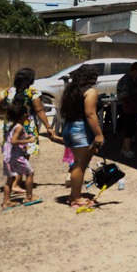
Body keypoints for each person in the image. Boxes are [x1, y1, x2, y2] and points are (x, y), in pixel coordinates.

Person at [0, 67, 61, 192]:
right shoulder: (32, 93)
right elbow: (39, 110)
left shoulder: (7, 91)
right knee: (24, 155)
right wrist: (48, 127)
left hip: (10, 126)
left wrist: (7, 113)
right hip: (27, 125)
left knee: (13, 153)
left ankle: (14, 181)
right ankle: (16, 183)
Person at [60, 65, 104, 210]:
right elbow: (90, 114)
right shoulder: (90, 92)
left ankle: (74, 195)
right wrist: (99, 134)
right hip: (81, 129)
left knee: (76, 164)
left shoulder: (71, 90)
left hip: (69, 127)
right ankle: (76, 198)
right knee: (80, 165)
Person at [1, 100, 42, 209]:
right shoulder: (19, 127)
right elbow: (14, 141)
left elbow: (14, 137)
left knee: (10, 179)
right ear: (24, 115)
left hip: (8, 156)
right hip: (16, 156)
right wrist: (29, 141)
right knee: (30, 173)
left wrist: (25, 137)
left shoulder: (13, 126)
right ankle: (29, 197)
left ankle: (6, 202)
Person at [116, 62, 137, 159]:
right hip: (127, 107)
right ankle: (127, 149)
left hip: (134, 107)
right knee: (129, 128)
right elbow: (123, 94)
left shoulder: (136, 79)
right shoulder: (126, 80)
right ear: (134, 70)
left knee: (133, 127)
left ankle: (124, 148)